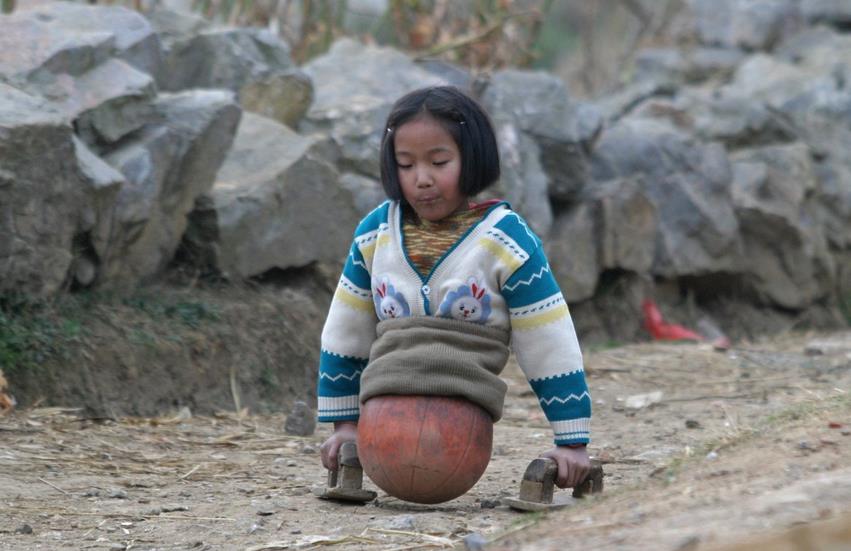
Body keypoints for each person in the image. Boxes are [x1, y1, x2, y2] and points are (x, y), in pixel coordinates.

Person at [316, 85, 592, 490]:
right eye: (405, 165)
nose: (421, 179)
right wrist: (344, 426)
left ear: (472, 156)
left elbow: (548, 338)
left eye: (439, 161)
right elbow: (345, 331)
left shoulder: (505, 243)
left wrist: (572, 442)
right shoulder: (374, 235)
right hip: (382, 418)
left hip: (461, 430)